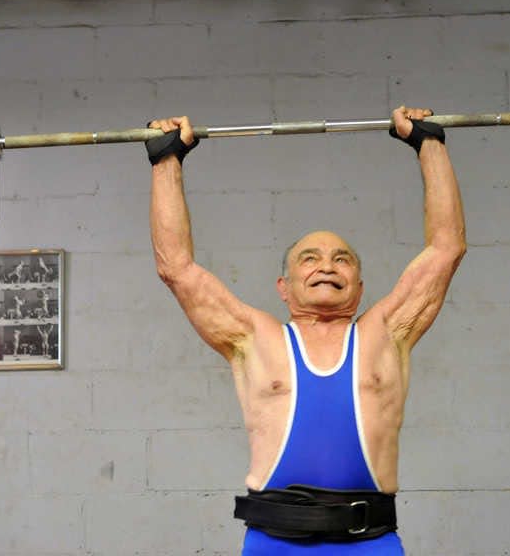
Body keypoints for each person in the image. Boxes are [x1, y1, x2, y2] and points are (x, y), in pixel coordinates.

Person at [148, 106, 465, 555]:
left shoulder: (386, 332)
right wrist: (166, 160)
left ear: (359, 284)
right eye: (309, 258)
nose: (326, 266)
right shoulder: (254, 338)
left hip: (369, 543)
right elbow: (176, 269)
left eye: (342, 259)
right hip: (273, 543)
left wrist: (429, 143)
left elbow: (446, 249)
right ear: (284, 285)